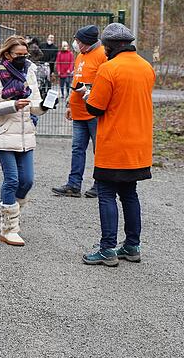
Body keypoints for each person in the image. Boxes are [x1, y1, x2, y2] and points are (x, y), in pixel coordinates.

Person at [82, 23, 155, 267]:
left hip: (114, 145)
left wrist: (87, 96)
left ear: (110, 46)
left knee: (106, 193)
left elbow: (95, 107)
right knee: (129, 194)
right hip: (139, 146)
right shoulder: (146, 67)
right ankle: (132, 246)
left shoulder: (108, 68)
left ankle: (108, 249)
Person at [0, 35, 54, 246]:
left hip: (25, 135)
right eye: (18, 55)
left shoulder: (29, 71)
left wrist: (45, 106)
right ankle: (9, 228)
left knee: (27, 181)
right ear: (7, 54)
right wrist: (13, 105)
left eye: (25, 55)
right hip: (4, 134)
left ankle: (8, 209)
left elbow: (34, 105)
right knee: (12, 179)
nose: (23, 58)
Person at [52, 25, 105, 199]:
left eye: (77, 40)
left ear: (86, 42)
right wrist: (69, 104)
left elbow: (105, 84)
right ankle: (74, 185)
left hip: (94, 113)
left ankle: (100, 185)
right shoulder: (81, 55)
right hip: (78, 112)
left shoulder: (103, 55)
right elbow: (76, 80)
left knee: (100, 150)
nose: (75, 43)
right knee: (77, 149)